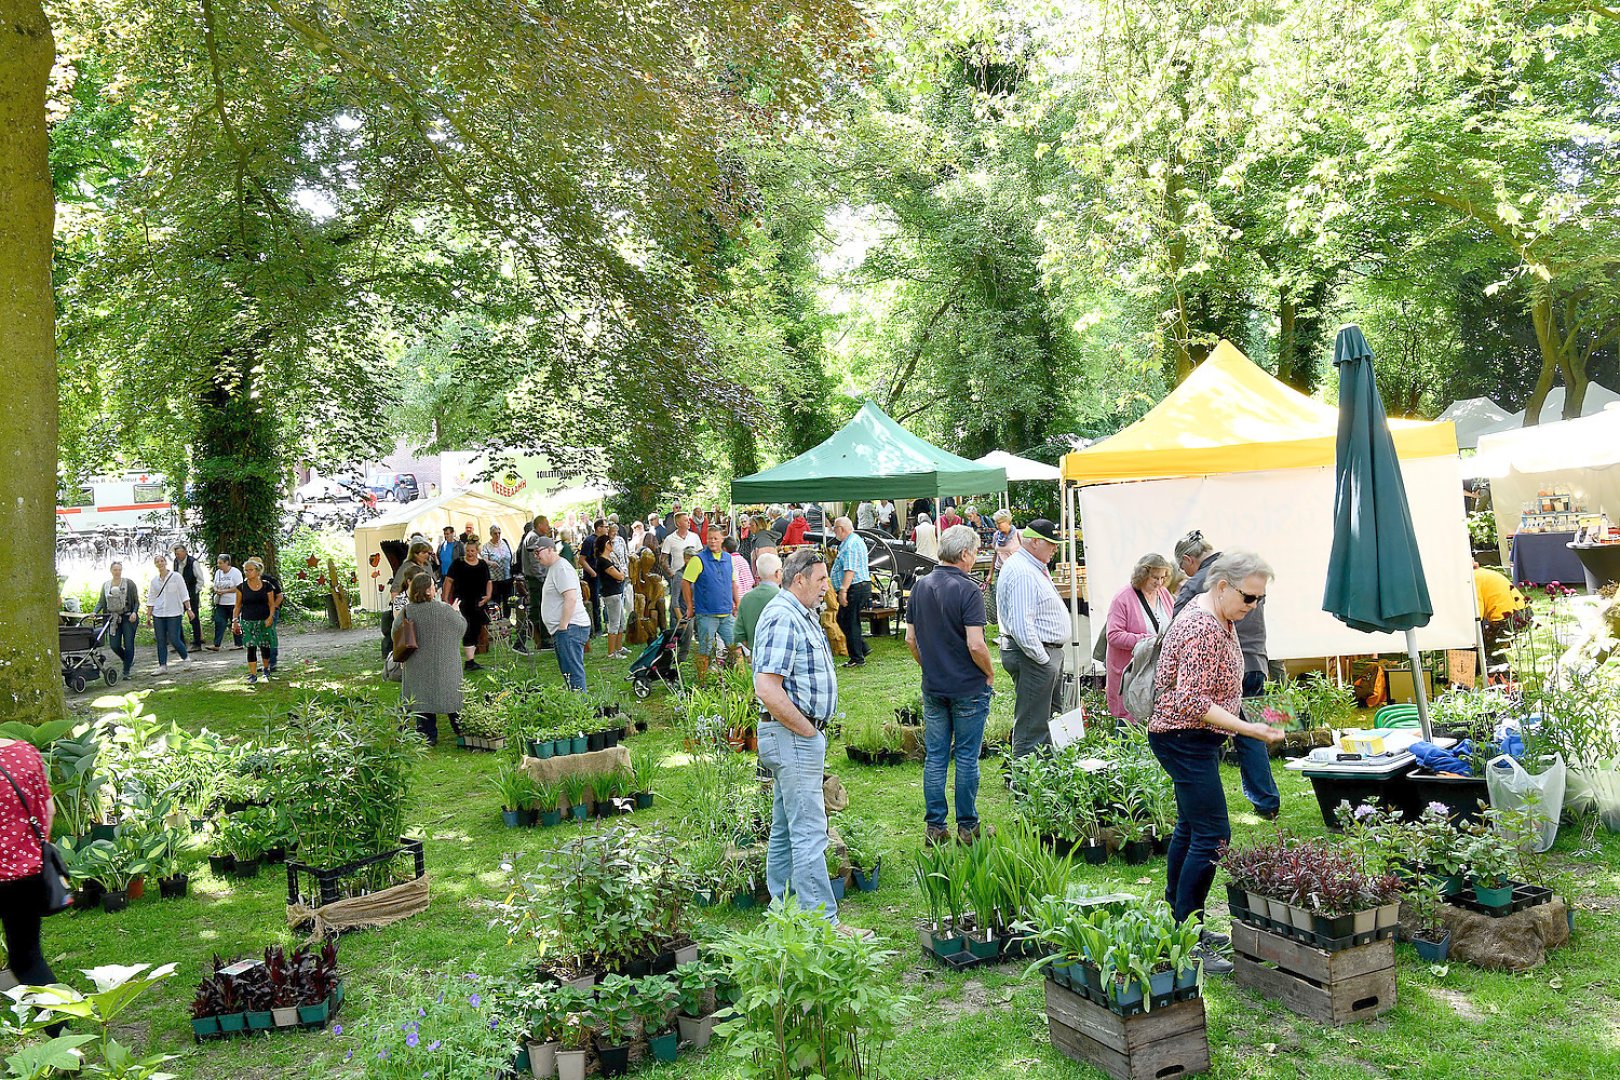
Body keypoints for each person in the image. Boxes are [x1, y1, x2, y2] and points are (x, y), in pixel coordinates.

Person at [1150, 552, 1285, 971]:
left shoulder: (1219, 615)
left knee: (1192, 828)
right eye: (1249, 597)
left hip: (1192, 737)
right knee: (1213, 835)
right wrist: (1251, 730)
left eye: (1260, 599)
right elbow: (1191, 701)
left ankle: (1180, 924)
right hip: (1183, 737)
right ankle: (1187, 940)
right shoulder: (1201, 627)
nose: (1253, 607)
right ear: (1222, 585)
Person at [752, 549, 868, 938]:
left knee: (787, 829)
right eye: (821, 580)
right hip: (793, 736)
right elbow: (767, 686)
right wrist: (807, 730)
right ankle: (823, 924)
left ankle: (783, 913)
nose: (827, 588)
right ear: (797, 579)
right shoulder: (784, 616)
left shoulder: (798, 614)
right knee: (810, 832)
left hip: (795, 736)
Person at [1172, 530, 1280, 820]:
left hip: (1223, 673)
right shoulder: (1247, 574)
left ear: (1188, 560)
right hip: (1256, 662)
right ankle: (1267, 801)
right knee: (1253, 732)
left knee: (1209, 737)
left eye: (1183, 568)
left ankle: (1205, 803)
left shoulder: (1199, 583)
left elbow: (1176, 629)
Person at [907, 525, 995, 845]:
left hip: (934, 686)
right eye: (975, 551)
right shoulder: (969, 590)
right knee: (967, 756)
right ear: (964, 554)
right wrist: (989, 672)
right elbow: (976, 644)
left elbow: (910, 639)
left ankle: (935, 827)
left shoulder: (920, 586)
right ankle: (968, 826)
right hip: (968, 687)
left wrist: (929, 665)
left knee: (936, 756)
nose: (975, 556)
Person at [996, 518, 1069, 756]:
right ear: (1035, 542)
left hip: (1042, 653)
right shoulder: (1023, 571)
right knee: (1032, 726)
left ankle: (1039, 777)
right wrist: (1042, 659)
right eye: (1051, 543)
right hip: (1034, 655)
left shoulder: (1030, 566)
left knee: (1042, 720)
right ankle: (1024, 786)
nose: (1055, 548)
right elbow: (1021, 625)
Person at [0, 737, 60, 991]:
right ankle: (63, 1030)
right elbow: (49, 810)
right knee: (28, 960)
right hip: (26, 876)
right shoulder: (24, 752)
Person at [398, 572, 466, 745]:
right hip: (445, 664)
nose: (435, 587)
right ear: (428, 590)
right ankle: (462, 731)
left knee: (422, 699)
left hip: (416, 664)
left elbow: (395, 632)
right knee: (452, 698)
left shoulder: (408, 610)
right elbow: (461, 628)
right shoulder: (444, 609)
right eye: (432, 585)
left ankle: (427, 735)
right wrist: (456, 612)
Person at [1105, 553, 1175, 719]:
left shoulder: (1163, 594)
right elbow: (1113, 635)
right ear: (1143, 575)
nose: (1159, 583)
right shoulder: (1122, 598)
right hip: (1131, 671)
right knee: (1129, 721)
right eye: (1155, 578)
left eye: (1163, 578)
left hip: (1156, 671)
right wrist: (1147, 640)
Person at [683, 525, 741, 681]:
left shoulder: (729, 559)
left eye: (716, 538)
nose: (712, 541)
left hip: (726, 614)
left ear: (722, 539)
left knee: (735, 648)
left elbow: (733, 583)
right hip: (707, 614)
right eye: (709, 538)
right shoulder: (698, 559)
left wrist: (738, 603)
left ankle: (740, 680)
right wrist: (689, 606)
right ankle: (702, 683)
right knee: (705, 650)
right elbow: (686, 582)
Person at [534, 536, 592, 690]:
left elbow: (570, 598)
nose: (535, 555)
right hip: (566, 629)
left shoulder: (561, 568)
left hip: (571, 628)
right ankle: (578, 708)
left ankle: (582, 710)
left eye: (537, 551)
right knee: (569, 674)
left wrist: (563, 626)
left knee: (573, 674)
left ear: (550, 549)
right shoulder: (555, 568)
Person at [443, 536, 493, 672]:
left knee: (476, 629)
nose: (470, 553)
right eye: (468, 551)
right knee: (467, 629)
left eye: (472, 551)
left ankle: (471, 660)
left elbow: (489, 581)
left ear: (477, 551)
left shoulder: (482, 565)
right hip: (463, 602)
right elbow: (448, 581)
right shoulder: (458, 564)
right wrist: (446, 599)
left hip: (478, 603)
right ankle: (468, 660)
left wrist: (488, 596)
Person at [231, 558, 281, 684]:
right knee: (251, 647)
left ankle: (266, 669)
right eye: (245, 570)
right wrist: (235, 620)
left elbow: (271, 604)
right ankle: (253, 674)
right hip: (248, 621)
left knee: (265, 646)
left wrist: (270, 617)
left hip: (264, 619)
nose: (247, 573)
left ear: (257, 571)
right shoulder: (241, 587)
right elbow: (237, 606)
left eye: (250, 570)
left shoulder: (266, 585)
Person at [830, 517, 872, 668]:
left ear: (841, 528)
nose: (834, 531)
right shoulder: (850, 542)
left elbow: (850, 570)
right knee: (844, 619)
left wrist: (843, 590)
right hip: (856, 586)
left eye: (835, 528)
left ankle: (857, 657)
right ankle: (861, 648)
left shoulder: (851, 545)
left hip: (855, 586)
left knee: (849, 621)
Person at [385, 542, 435, 659]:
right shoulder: (406, 568)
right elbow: (399, 624)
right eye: (424, 552)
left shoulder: (427, 565)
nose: (427, 555)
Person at [145, 553, 192, 675]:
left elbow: (184, 593)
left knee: (174, 638)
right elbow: (151, 598)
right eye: (157, 562)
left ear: (165, 562)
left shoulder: (176, 577)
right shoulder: (154, 580)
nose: (160, 563)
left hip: (174, 612)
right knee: (160, 640)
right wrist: (149, 616)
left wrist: (189, 609)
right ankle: (162, 665)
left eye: (162, 561)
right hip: (159, 613)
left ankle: (186, 658)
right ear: (155, 564)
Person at [94, 561, 139, 679]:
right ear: (111, 571)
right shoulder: (106, 585)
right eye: (115, 570)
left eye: (119, 570)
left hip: (128, 616)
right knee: (114, 645)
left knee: (129, 644)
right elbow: (101, 601)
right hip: (113, 618)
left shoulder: (129, 583)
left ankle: (126, 671)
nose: (117, 572)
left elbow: (136, 600)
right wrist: (94, 612)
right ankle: (127, 660)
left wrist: (134, 612)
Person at [1474, 560, 1530, 656]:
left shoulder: (1472, 579)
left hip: (1508, 618)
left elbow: (1476, 615)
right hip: (1524, 612)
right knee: (1492, 652)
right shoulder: (1480, 573)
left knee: (1488, 654)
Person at [517, 514, 553, 653]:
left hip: (537, 579)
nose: (548, 527)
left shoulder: (535, 536)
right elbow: (534, 561)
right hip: (535, 580)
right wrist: (541, 577)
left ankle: (544, 640)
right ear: (540, 525)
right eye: (546, 524)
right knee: (535, 610)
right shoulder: (533, 538)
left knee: (540, 609)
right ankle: (521, 641)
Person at [737, 550, 782, 654]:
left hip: (757, 656)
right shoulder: (782, 598)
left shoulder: (747, 598)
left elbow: (740, 633)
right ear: (777, 573)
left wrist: (754, 649)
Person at [597, 522, 630, 659]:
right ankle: (611, 653)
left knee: (621, 621)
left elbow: (620, 574)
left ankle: (619, 647)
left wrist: (620, 574)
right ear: (606, 545)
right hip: (611, 594)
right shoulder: (603, 561)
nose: (613, 544)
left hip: (616, 592)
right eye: (610, 543)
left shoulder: (610, 558)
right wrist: (620, 574)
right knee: (614, 623)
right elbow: (619, 575)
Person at [659, 512, 698, 623]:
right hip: (678, 575)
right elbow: (663, 559)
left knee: (692, 601)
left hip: (693, 576)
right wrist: (671, 573)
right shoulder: (670, 539)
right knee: (676, 601)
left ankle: (692, 627)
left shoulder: (694, 537)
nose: (689, 522)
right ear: (678, 523)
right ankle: (675, 628)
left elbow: (700, 555)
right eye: (686, 520)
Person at [208, 555, 244, 652]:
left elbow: (239, 587)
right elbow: (215, 585)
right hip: (221, 602)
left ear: (227, 563)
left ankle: (239, 643)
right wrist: (216, 590)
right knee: (219, 621)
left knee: (235, 621)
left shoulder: (235, 572)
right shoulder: (218, 573)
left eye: (220, 563)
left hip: (233, 602)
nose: (218, 565)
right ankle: (216, 644)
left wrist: (225, 591)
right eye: (218, 563)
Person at [172, 544, 205, 649]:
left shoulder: (193, 562)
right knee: (177, 617)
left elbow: (200, 579)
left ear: (185, 552)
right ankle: (180, 642)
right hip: (179, 594)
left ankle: (197, 642)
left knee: (194, 618)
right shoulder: (176, 562)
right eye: (176, 554)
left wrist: (195, 592)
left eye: (179, 553)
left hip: (191, 594)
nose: (177, 556)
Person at [581, 519, 608, 636]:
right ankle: (596, 629)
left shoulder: (603, 541)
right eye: (605, 527)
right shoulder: (589, 541)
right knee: (594, 603)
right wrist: (592, 572)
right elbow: (581, 559)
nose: (607, 529)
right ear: (598, 528)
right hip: (592, 577)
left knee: (602, 602)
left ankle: (603, 626)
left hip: (602, 575)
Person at [484, 525, 515, 620]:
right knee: (496, 601)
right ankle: (497, 620)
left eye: (499, 533)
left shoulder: (505, 543)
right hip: (495, 579)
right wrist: (491, 562)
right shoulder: (487, 546)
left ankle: (507, 619)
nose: (497, 535)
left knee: (508, 600)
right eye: (495, 533)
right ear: (491, 534)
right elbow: (484, 560)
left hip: (507, 577)